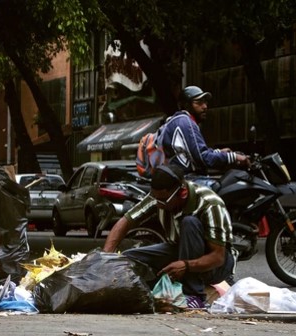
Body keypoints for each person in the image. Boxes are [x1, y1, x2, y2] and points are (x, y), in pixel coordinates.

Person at [103, 164, 237, 309]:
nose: (158, 205)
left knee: (189, 222)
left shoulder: (210, 204)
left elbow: (218, 257)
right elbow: (126, 221)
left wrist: (185, 266)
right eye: (156, 199)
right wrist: (104, 257)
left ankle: (194, 295)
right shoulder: (159, 197)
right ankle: (147, 289)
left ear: (183, 193)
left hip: (217, 265)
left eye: (163, 201)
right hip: (180, 251)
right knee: (129, 258)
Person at [162, 85, 250, 175]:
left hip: (178, 177)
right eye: (199, 102)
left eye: (205, 102)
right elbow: (203, 158)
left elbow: (193, 153)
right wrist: (234, 157)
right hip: (186, 179)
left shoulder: (176, 121)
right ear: (186, 105)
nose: (205, 106)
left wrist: (218, 152)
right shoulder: (186, 122)